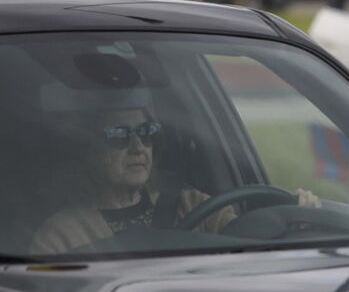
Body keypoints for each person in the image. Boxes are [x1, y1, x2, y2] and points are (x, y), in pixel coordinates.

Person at [31, 106, 319, 255]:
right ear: (89, 151)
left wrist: (298, 221)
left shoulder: (198, 206)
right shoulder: (60, 235)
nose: (138, 146)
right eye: (119, 135)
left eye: (146, 132)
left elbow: (254, 254)